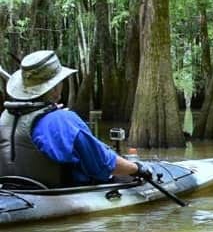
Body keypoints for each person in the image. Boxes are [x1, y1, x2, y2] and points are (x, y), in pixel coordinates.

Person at [0, 49, 144, 186]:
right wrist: (137, 168)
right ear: (54, 88)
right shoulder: (62, 120)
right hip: (60, 194)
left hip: (14, 190)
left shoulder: (6, 117)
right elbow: (103, 164)